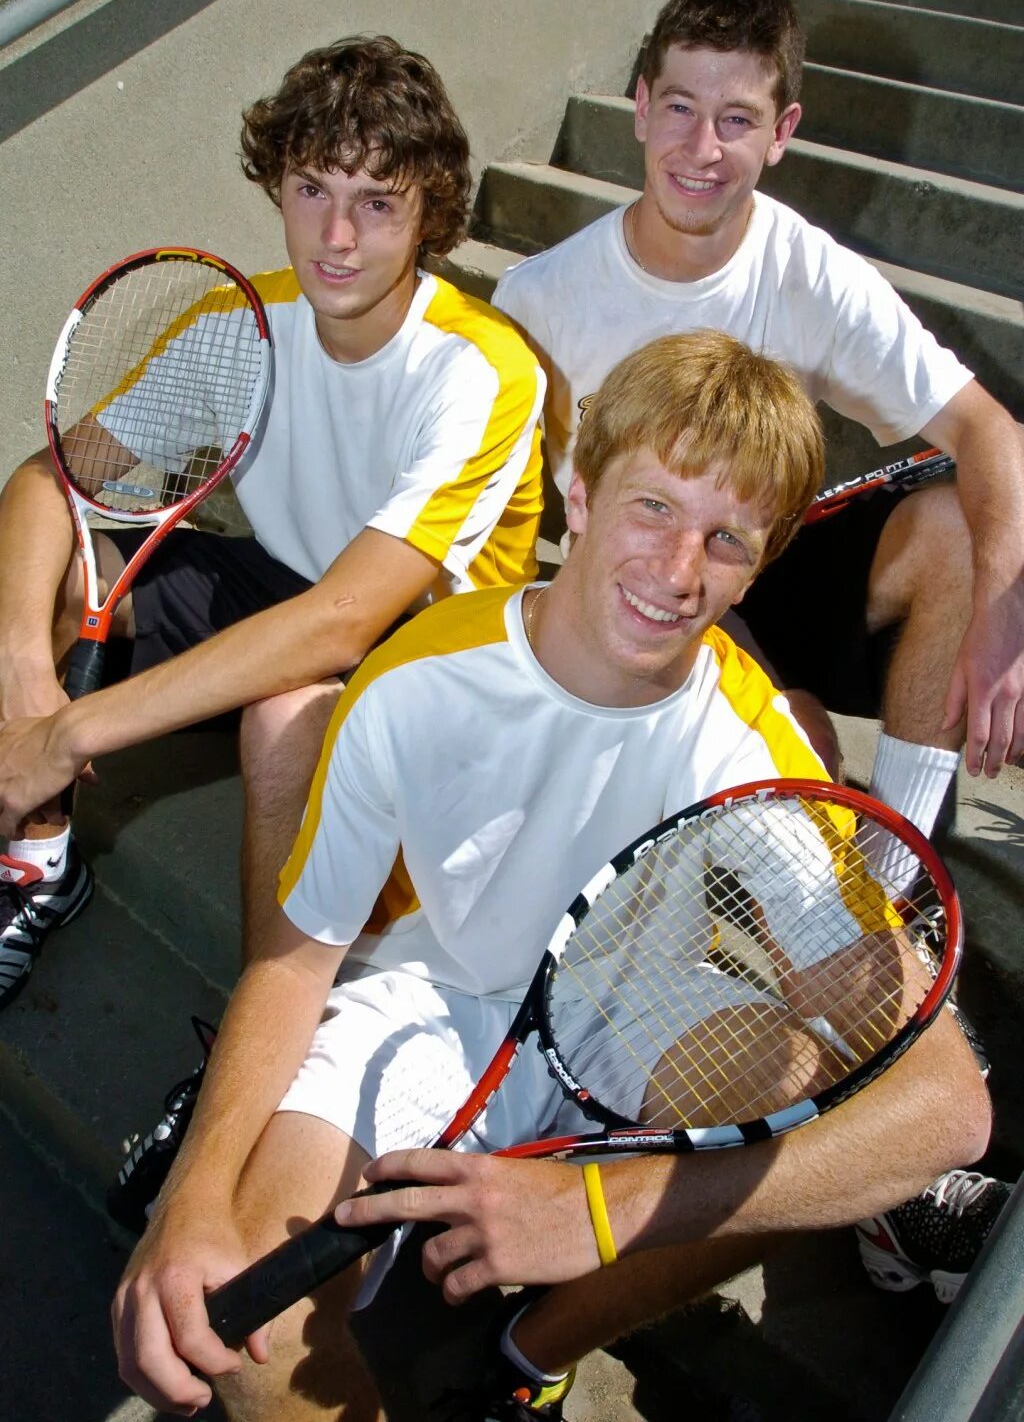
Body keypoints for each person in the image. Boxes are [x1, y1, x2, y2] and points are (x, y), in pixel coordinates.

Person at [111, 332, 990, 1422]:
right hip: (434, 998)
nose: (677, 571)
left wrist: (604, 1211)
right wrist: (188, 1200)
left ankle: (526, 1347)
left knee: (813, 1111)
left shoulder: (753, 743)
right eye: (652, 507)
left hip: (633, 1008)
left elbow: (947, 1111)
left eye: (726, 537)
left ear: (761, 564)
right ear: (578, 491)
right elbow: (295, 967)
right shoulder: (419, 676)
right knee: (242, 1329)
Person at [0, 35, 545, 1016]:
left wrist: (67, 727)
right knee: (45, 577)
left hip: (437, 645)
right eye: (311, 190)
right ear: (276, 184)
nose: (335, 236)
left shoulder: (481, 367)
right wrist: (23, 669)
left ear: (429, 216)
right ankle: (37, 861)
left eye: (376, 203)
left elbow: (342, 623)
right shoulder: (240, 320)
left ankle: (271, 1029)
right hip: (279, 581)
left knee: (284, 715)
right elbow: (47, 478)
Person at [492, 0, 1024, 829]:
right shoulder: (539, 300)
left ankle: (901, 867)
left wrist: (1005, 615)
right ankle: (784, 779)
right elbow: (501, 518)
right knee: (800, 756)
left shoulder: (811, 273)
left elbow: (988, 429)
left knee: (960, 526)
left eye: (736, 120)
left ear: (782, 134)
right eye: (679, 108)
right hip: (643, 584)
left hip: (763, 560)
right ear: (638, 105)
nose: (701, 148)